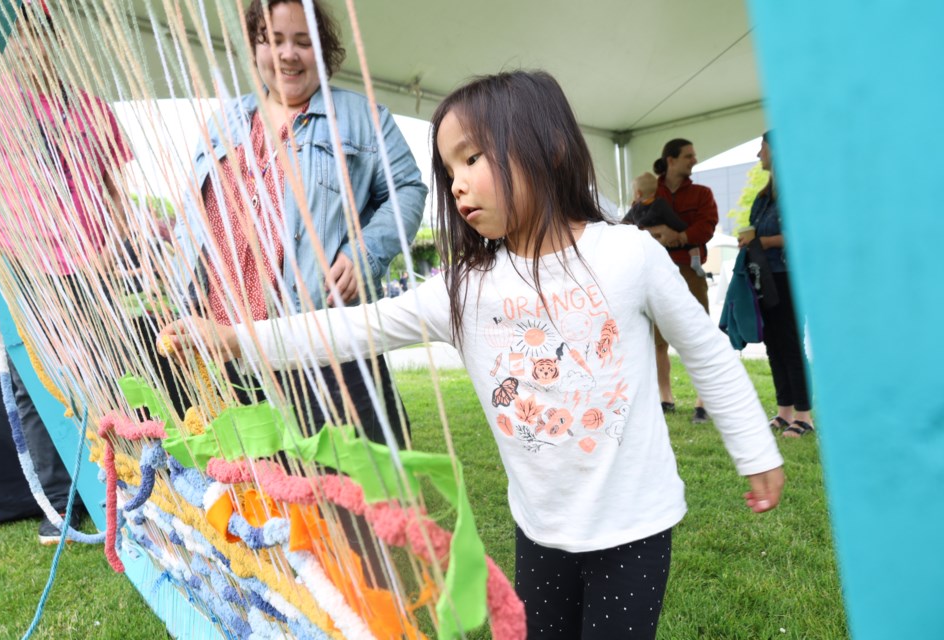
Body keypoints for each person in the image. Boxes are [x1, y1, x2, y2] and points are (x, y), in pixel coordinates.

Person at [162, 70, 784, 639]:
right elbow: (353, 327)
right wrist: (233, 336)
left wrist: (754, 447)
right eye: (449, 168)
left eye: (473, 157)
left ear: (550, 148)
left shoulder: (629, 255)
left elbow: (706, 352)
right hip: (538, 533)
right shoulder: (465, 287)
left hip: (636, 529)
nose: (456, 182)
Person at [172, 0, 426, 446]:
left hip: (317, 336)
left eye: (302, 42)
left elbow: (407, 189)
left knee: (351, 482)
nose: (287, 54)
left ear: (322, 53)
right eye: (272, 40)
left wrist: (365, 251)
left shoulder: (363, 119)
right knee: (257, 489)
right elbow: (193, 215)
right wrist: (184, 299)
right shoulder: (222, 122)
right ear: (255, 49)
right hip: (224, 342)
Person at [0, 1, 132, 543]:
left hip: (91, 266)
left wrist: (113, 245)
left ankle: (118, 484)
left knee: (104, 370)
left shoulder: (91, 107)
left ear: (57, 40)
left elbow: (116, 190)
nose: (30, 47)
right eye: (19, 36)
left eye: (40, 35)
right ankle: (60, 503)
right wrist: (5, 257)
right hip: (24, 270)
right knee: (33, 385)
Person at [741, 132, 813, 437]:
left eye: (763, 148)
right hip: (763, 277)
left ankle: (804, 415)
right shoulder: (762, 196)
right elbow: (754, 230)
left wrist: (763, 240)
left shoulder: (800, 193)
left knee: (790, 344)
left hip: (789, 278)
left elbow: (804, 236)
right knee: (773, 343)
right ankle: (784, 410)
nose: (759, 154)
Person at [646, 139, 719, 423]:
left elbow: (708, 225)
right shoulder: (652, 191)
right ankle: (666, 398)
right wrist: (659, 232)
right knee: (657, 340)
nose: (694, 160)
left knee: (698, 337)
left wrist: (681, 237)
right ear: (671, 160)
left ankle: (704, 401)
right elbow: (635, 223)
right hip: (656, 272)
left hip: (690, 271)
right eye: (689, 156)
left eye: (694, 155)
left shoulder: (702, 193)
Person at [624, 171, 705, 277]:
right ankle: (695, 260)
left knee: (689, 239)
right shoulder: (656, 203)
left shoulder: (644, 207)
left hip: (667, 235)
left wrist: (636, 224)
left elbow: (639, 221)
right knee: (690, 241)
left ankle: (695, 261)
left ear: (638, 193)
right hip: (665, 237)